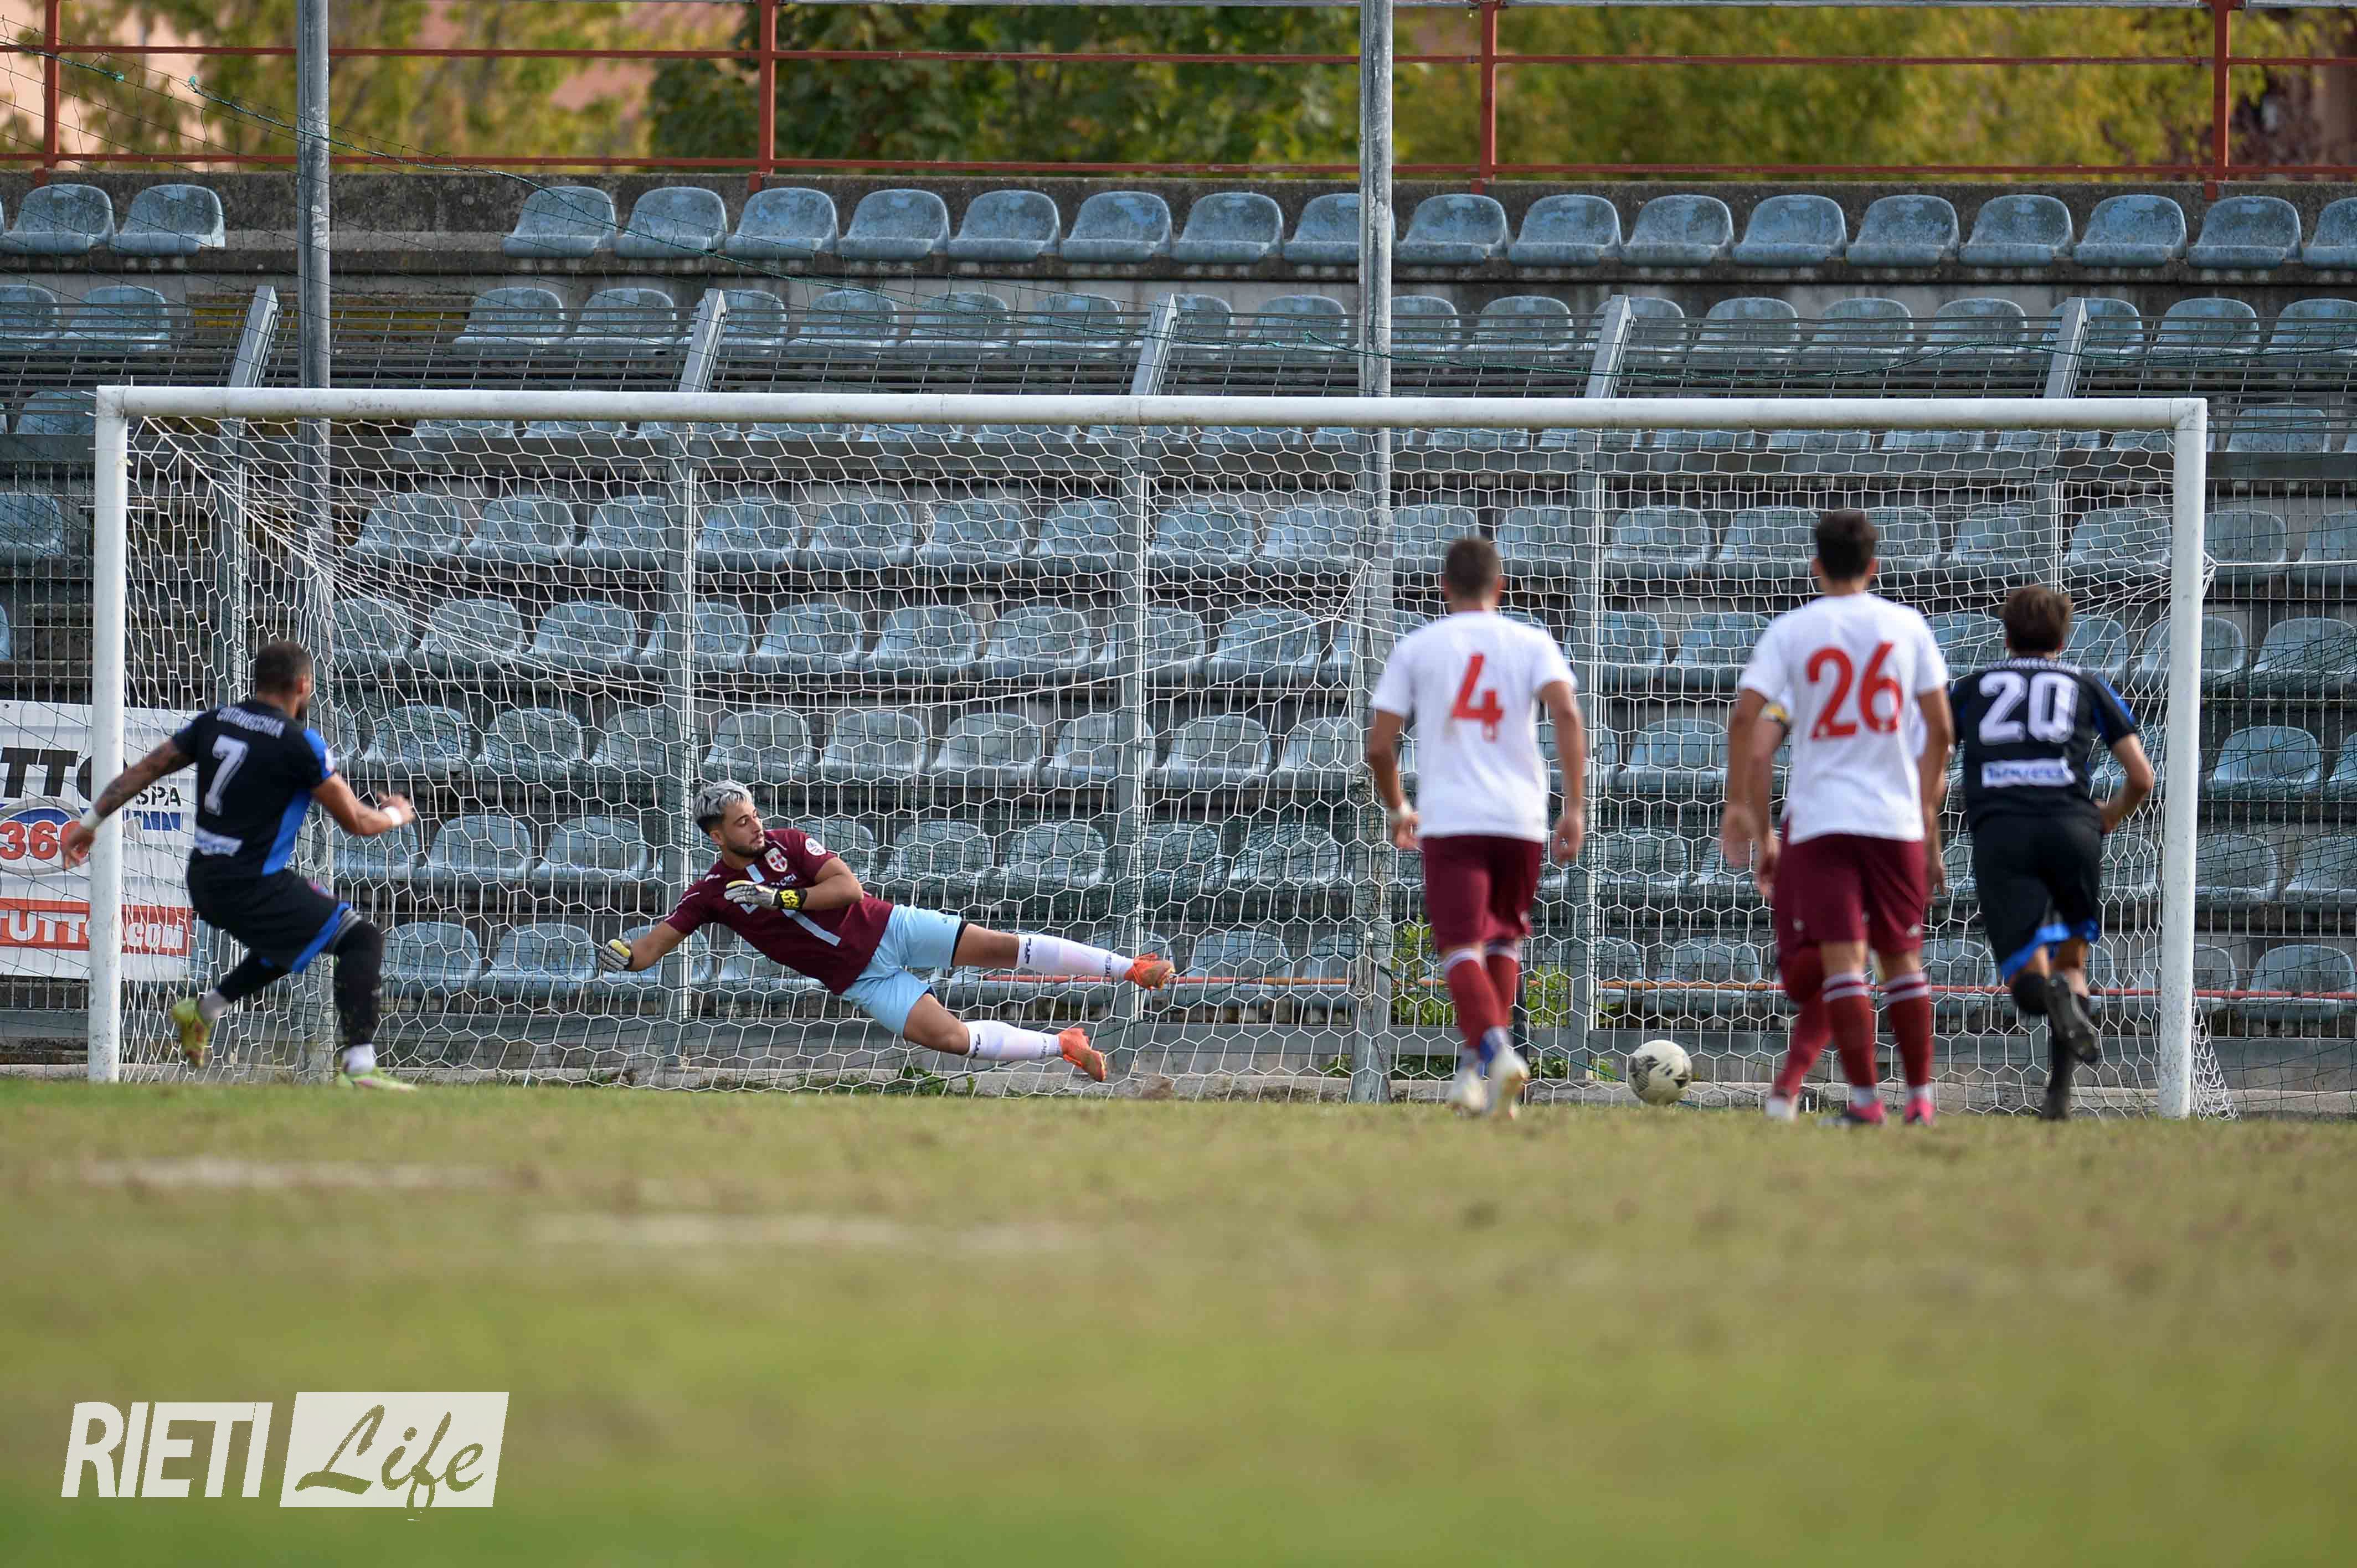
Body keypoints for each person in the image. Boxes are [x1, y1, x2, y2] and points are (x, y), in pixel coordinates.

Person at [601, 783, 1173, 1080]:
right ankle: (1065, 1045)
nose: (756, 826)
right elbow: (653, 946)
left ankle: (1133, 967)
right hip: (861, 979)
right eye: (742, 822)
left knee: (1000, 948)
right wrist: (626, 956)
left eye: (754, 815)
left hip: (890, 927)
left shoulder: (790, 844)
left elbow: (848, 889)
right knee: (949, 1040)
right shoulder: (709, 894)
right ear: (717, 837)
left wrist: (783, 897)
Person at [60, 640, 419, 1089]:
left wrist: (89, 823)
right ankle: (360, 1065)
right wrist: (395, 814)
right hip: (252, 884)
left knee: (293, 940)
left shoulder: (215, 721)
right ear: (303, 685)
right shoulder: (299, 743)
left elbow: (148, 768)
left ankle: (203, 1011)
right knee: (361, 938)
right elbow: (358, 823)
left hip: (205, 880)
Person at [1721, 510, 1954, 1126]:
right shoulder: (1906, 627)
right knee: (1902, 958)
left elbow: (1748, 724)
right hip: (1894, 819)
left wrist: (1744, 811)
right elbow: (1941, 730)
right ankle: (1921, 1100)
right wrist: (1924, 813)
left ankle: (1866, 1103)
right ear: (1874, 567)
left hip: (1822, 818)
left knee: (1843, 962)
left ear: (1815, 566)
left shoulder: (1792, 630)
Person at [1365, 535, 1587, 1120]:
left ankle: (1498, 1054)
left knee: (1459, 947)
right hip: (1521, 817)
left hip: (1453, 818)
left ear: (1443, 587)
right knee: (1504, 940)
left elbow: (1380, 747)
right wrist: (1575, 806)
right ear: (1501, 586)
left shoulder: (1418, 647)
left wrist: (1398, 808)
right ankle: (1473, 1075)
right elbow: (1567, 713)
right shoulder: (1532, 642)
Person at [1949, 584, 2154, 1120]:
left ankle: (2047, 999)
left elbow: (1931, 762)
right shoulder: (2088, 684)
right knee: (2072, 962)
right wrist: (2108, 816)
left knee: (2027, 981)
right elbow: (2142, 777)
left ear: (2006, 635)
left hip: (2003, 831)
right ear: (2064, 639)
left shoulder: (1971, 688)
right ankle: (2059, 1099)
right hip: (2072, 829)